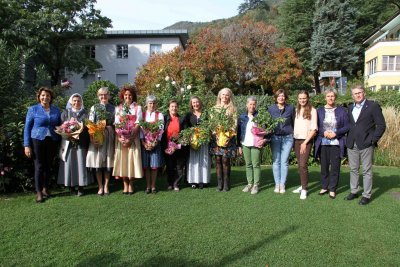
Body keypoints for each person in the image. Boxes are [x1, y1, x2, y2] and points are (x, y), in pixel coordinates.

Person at [345, 85, 386, 205]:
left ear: (364, 93)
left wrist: (373, 140)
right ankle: (354, 191)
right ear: (352, 95)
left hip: (367, 143)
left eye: (360, 92)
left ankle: (366, 195)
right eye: (355, 93)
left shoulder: (373, 106)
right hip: (352, 143)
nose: (357, 95)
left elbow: (381, 125)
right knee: (353, 169)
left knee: (367, 170)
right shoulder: (350, 107)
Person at [23, 87, 61, 203]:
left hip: (52, 140)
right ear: (39, 97)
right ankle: (39, 192)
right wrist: (26, 145)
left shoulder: (56, 110)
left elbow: (59, 125)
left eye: (48, 96)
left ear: (51, 98)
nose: (45, 97)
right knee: (39, 166)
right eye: (43, 95)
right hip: (37, 140)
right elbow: (27, 128)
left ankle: (46, 189)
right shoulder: (33, 109)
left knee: (48, 165)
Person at [314, 89, 349, 199]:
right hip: (323, 143)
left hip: (336, 143)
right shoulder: (319, 110)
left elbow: (347, 126)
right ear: (325, 98)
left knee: (335, 167)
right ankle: (324, 186)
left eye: (332, 96)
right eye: (328, 96)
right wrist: (323, 132)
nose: (330, 98)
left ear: (335, 97)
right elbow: (315, 126)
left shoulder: (342, 111)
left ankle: (332, 189)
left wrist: (336, 133)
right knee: (324, 167)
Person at [58, 93, 92, 196]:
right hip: (68, 143)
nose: (76, 102)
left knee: (80, 164)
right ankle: (71, 186)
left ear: (81, 102)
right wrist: (69, 132)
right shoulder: (65, 113)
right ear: (71, 102)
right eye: (74, 101)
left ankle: (81, 187)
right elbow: (62, 126)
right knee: (70, 164)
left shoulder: (85, 114)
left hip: (81, 142)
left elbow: (88, 127)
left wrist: (79, 129)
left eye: (78, 101)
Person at [113, 85, 143, 195]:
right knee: (123, 161)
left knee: (132, 161)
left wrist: (131, 138)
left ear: (133, 96)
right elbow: (116, 124)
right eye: (126, 95)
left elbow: (138, 123)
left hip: (133, 139)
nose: (128, 97)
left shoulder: (137, 108)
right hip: (121, 139)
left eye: (130, 95)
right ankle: (125, 184)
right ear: (123, 96)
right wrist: (121, 138)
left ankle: (131, 184)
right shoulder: (118, 108)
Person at [86, 87, 115, 196]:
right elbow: (90, 123)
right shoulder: (94, 107)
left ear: (109, 96)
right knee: (97, 161)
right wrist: (92, 138)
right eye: (101, 95)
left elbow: (116, 123)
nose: (103, 97)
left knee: (107, 160)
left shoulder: (113, 108)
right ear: (98, 96)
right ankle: (100, 186)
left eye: (105, 95)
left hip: (108, 134)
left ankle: (106, 186)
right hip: (97, 134)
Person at [237, 96, 267, 194]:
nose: (252, 106)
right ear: (247, 105)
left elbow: (265, 129)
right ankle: (249, 184)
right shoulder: (242, 117)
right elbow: (239, 132)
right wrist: (239, 146)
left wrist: (265, 140)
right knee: (248, 165)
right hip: (245, 143)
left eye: (254, 104)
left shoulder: (260, 116)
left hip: (256, 144)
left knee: (256, 164)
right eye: (250, 104)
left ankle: (256, 185)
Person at [210, 88, 237, 192]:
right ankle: (219, 183)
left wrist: (228, 137)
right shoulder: (214, 108)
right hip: (216, 137)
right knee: (217, 160)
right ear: (219, 96)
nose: (225, 97)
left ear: (229, 97)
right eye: (223, 95)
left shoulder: (232, 109)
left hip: (228, 137)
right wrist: (215, 135)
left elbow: (234, 124)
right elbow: (212, 124)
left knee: (226, 160)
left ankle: (226, 183)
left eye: (227, 95)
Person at [268, 89, 295, 194]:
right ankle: (277, 183)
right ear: (276, 97)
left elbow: (294, 122)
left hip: (287, 138)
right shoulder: (271, 109)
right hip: (275, 138)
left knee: (284, 161)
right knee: (276, 161)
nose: (281, 98)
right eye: (279, 96)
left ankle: (282, 183)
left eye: (283, 96)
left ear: (285, 97)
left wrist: (294, 134)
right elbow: (268, 123)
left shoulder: (290, 108)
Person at [292, 90, 317, 200]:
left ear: (307, 98)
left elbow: (314, 129)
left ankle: (304, 189)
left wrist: (305, 143)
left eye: (304, 98)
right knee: (300, 165)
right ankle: (302, 186)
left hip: (305, 141)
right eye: (300, 98)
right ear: (298, 99)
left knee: (303, 164)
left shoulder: (313, 110)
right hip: (296, 140)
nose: (302, 100)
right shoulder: (296, 110)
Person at [185, 96, 211, 189]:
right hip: (193, 141)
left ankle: (203, 181)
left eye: (197, 102)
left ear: (200, 103)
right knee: (194, 160)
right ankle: (193, 181)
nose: (195, 104)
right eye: (193, 102)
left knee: (203, 160)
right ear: (191, 104)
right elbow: (186, 127)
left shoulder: (206, 113)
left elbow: (209, 126)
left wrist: (204, 133)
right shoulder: (189, 115)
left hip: (203, 140)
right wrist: (189, 137)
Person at [161, 100, 187, 191]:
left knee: (179, 166)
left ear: (178, 108)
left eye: (175, 106)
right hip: (167, 147)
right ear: (169, 108)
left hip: (178, 148)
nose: (174, 108)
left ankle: (176, 184)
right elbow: (162, 134)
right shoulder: (164, 119)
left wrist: (176, 146)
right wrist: (165, 147)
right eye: (172, 106)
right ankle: (170, 183)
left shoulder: (182, 119)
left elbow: (184, 133)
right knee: (170, 166)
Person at [141, 95, 164, 194]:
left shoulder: (160, 115)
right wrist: (144, 143)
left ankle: (153, 186)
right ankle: (148, 186)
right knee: (146, 166)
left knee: (154, 166)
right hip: (145, 143)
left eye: (154, 103)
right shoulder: (142, 115)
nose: (152, 105)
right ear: (146, 104)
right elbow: (140, 131)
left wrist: (155, 142)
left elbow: (161, 129)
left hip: (155, 143)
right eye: (150, 103)